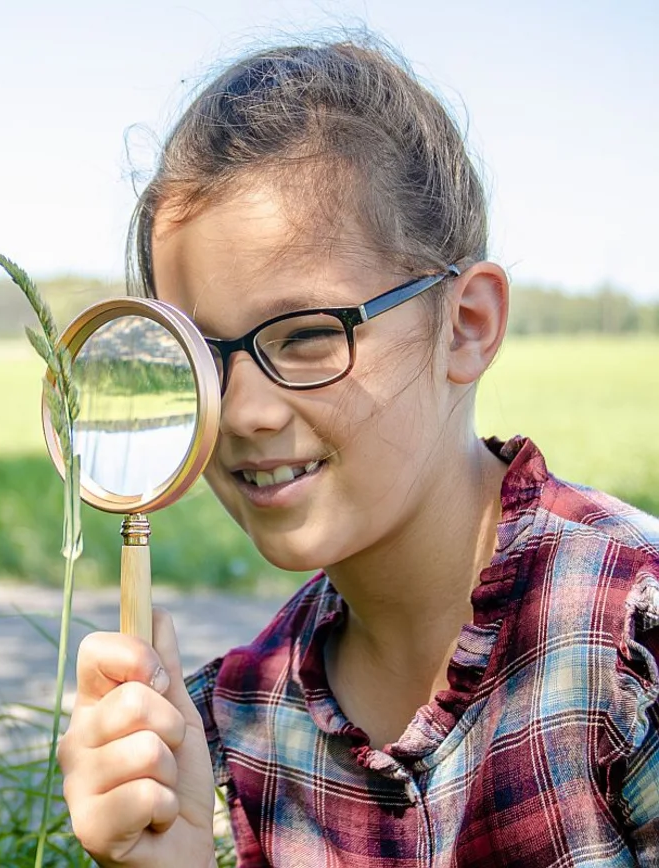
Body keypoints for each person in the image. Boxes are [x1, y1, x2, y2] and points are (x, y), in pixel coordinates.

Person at [57, 36, 659, 867]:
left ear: (467, 325)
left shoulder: (628, 645)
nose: (244, 413)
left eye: (306, 336)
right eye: (202, 355)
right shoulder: (240, 722)